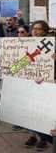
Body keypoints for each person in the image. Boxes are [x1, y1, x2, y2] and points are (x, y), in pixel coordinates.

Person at [24, 20, 51, 151]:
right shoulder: (27, 45)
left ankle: (43, 139)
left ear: (45, 31)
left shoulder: (51, 45)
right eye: (34, 28)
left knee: (42, 111)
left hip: (46, 84)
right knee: (30, 110)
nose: (35, 31)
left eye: (39, 29)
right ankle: (32, 135)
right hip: (30, 83)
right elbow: (21, 64)